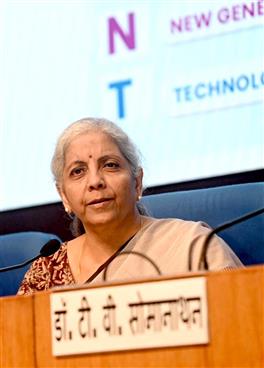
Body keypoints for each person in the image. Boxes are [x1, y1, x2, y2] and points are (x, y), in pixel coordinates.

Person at [17, 118, 242, 295]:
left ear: (137, 182)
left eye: (111, 165)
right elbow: (19, 348)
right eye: (78, 171)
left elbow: (244, 321)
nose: (95, 181)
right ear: (64, 195)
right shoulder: (46, 273)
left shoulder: (193, 245)